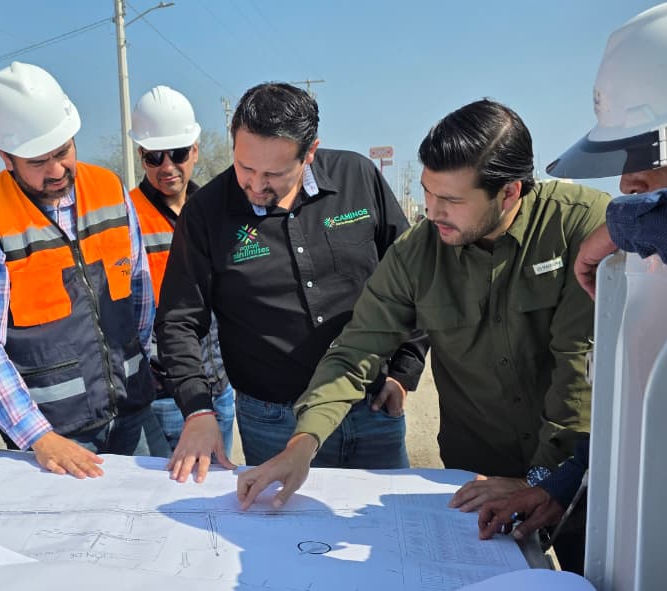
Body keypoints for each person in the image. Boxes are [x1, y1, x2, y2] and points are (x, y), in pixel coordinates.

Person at [237, 99, 608, 572]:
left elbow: (578, 367)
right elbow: (357, 349)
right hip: (479, 480)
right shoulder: (419, 251)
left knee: (591, 576)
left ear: (509, 192)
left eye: (451, 200)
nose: (433, 212)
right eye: (428, 193)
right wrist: (302, 444)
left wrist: (540, 480)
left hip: (583, 473)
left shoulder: (580, 227)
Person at [480, 0, 667, 544]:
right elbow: (652, 400)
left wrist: (626, 224)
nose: (625, 186)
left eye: (648, 155)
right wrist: (561, 485)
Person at [158, 82, 427, 483]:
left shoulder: (357, 178)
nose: (255, 184)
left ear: (310, 152)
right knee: (282, 523)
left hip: (372, 409)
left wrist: (403, 372)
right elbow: (178, 321)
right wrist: (198, 410)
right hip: (274, 424)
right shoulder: (206, 213)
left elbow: (414, 277)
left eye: (274, 173)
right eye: (245, 167)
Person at [0, 62, 168, 479]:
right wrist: (38, 436)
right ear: (6, 157)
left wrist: (137, 366)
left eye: (63, 151)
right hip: (56, 435)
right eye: (37, 161)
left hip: (132, 410)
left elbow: (139, 291)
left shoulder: (110, 189)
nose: (56, 170)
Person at [127, 86, 236, 457]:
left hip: (220, 387)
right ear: (141, 156)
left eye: (177, 153)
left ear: (195, 150)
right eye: (154, 157)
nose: (167, 167)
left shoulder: (216, 211)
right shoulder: (126, 217)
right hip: (166, 397)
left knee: (218, 483)